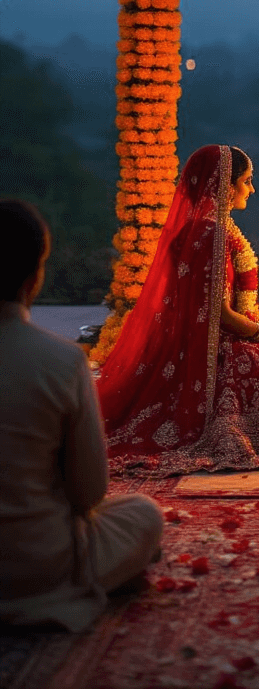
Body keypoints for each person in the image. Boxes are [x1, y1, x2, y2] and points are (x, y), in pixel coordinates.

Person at [98, 144, 259, 473]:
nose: (251, 188)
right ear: (224, 185)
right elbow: (220, 315)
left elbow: (232, 304)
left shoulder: (208, 228)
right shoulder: (213, 233)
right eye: (246, 180)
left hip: (214, 335)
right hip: (219, 347)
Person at [0, 200, 163, 631]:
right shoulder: (61, 361)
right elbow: (89, 492)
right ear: (35, 276)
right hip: (34, 567)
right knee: (142, 514)